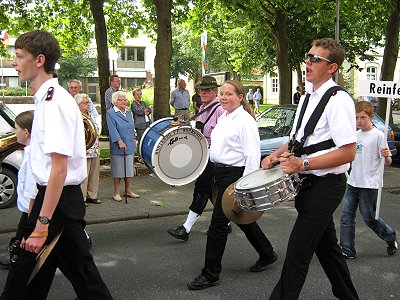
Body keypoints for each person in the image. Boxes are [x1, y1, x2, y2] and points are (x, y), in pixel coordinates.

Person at [7, 29, 112, 299]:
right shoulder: (46, 99)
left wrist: (41, 224)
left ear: (39, 60)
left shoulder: (54, 103)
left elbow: (59, 169)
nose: (14, 62)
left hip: (56, 204)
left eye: (19, 56)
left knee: (23, 283)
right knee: (83, 281)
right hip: (53, 201)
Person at [261, 37, 359, 299]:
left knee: (296, 255)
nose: (308, 62)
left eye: (316, 59)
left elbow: (348, 152)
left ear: (332, 67)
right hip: (307, 185)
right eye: (308, 56)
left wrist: (302, 163)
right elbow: (296, 140)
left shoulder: (338, 100)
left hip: (326, 187)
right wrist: (274, 155)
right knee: (329, 252)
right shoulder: (307, 97)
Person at [187, 80, 277, 290]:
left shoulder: (245, 121)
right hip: (220, 172)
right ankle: (266, 253)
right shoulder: (225, 117)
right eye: (223, 94)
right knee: (238, 216)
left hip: (235, 176)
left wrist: (243, 187)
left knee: (218, 224)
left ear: (240, 97)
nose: (224, 97)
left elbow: (252, 156)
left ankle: (210, 274)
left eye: (229, 94)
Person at [167, 76, 225, 241]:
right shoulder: (203, 107)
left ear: (215, 91)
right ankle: (226, 222)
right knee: (212, 191)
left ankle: (186, 228)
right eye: (201, 90)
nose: (203, 93)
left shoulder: (220, 109)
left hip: (214, 157)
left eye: (207, 90)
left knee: (201, 188)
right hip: (204, 154)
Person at [340, 101, 397, 259]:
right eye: (356, 117)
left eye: (363, 117)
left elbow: (388, 162)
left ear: (371, 117)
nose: (359, 121)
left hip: (370, 184)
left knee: (369, 218)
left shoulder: (379, 135)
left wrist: (386, 155)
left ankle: (390, 236)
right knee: (346, 216)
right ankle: (347, 248)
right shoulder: (355, 135)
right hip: (353, 182)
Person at [1, 110, 41, 299]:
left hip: (30, 215)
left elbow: (33, 193)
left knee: (22, 262)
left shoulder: (34, 154)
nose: (13, 132)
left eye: (16, 128)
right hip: (28, 214)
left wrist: (30, 228)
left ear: (26, 132)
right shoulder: (30, 151)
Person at [106, 90, 139, 201]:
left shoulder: (128, 112)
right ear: (115, 101)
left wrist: (133, 138)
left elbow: (131, 126)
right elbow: (112, 129)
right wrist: (119, 141)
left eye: (124, 99)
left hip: (129, 144)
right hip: (118, 146)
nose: (123, 101)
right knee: (118, 170)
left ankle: (128, 190)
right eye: (120, 99)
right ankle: (116, 192)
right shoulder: (111, 113)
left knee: (128, 169)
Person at [76, 93, 101, 206]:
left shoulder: (90, 115)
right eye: (85, 103)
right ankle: (82, 197)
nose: (88, 105)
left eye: (88, 102)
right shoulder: (77, 117)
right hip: (84, 151)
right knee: (84, 175)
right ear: (78, 104)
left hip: (94, 149)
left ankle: (92, 195)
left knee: (94, 174)